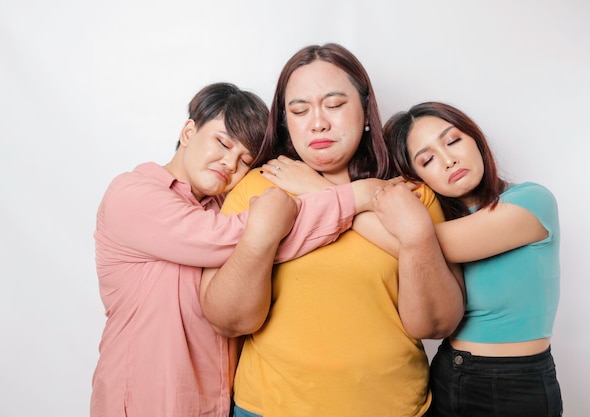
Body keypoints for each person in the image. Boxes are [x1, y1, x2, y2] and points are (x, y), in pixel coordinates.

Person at [200, 44, 465, 417]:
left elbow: (437, 324)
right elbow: (229, 321)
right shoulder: (257, 189)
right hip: (268, 408)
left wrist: (416, 237)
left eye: (335, 104)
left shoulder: (410, 194)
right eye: (299, 109)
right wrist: (262, 235)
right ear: (285, 122)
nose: (318, 122)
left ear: (366, 110)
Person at [91, 82, 382, 417]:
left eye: (245, 159)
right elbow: (232, 237)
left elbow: (267, 243)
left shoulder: (224, 206)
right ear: (189, 131)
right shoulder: (133, 195)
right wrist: (353, 197)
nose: (230, 162)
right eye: (222, 142)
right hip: (146, 401)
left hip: (218, 404)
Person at [384, 101, 563, 417]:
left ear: (476, 140)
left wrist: (337, 202)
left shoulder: (531, 201)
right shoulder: (433, 222)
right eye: (427, 160)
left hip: (515, 385)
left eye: (453, 141)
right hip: (445, 373)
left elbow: (421, 241)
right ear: (417, 177)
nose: (449, 160)